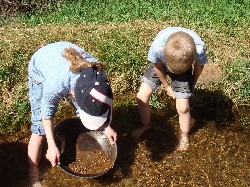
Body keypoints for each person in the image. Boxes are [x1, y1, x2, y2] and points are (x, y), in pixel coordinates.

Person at [27, 41, 117, 187]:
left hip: (66, 68)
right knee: (39, 131)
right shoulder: (54, 85)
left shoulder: (99, 75)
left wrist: (106, 126)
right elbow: (46, 114)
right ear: (75, 95)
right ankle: (33, 172)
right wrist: (51, 145)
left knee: (86, 109)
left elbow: (101, 105)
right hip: (41, 65)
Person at [131, 27, 208, 151]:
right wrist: (167, 86)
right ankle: (146, 125)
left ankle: (184, 136)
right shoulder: (157, 47)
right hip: (161, 64)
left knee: (183, 108)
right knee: (141, 97)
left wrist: (192, 83)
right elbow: (157, 66)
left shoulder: (199, 49)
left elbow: (199, 67)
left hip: (184, 66)